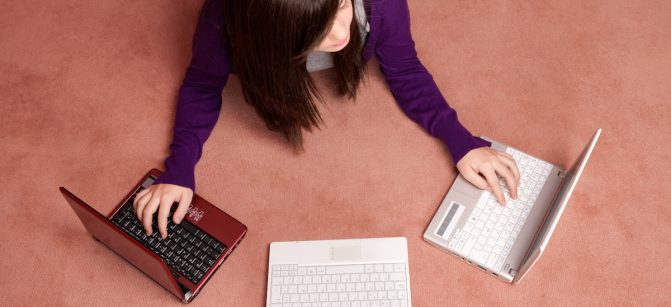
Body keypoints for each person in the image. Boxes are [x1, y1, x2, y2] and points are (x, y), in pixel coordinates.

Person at [133, 0, 520, 239]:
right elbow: (202, 85)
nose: (341, 33)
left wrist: (461, 140)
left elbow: (404, 68)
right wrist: (179, 170)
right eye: (317, 29)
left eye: (340, 6)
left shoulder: (378, 5)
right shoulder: (224, 25)